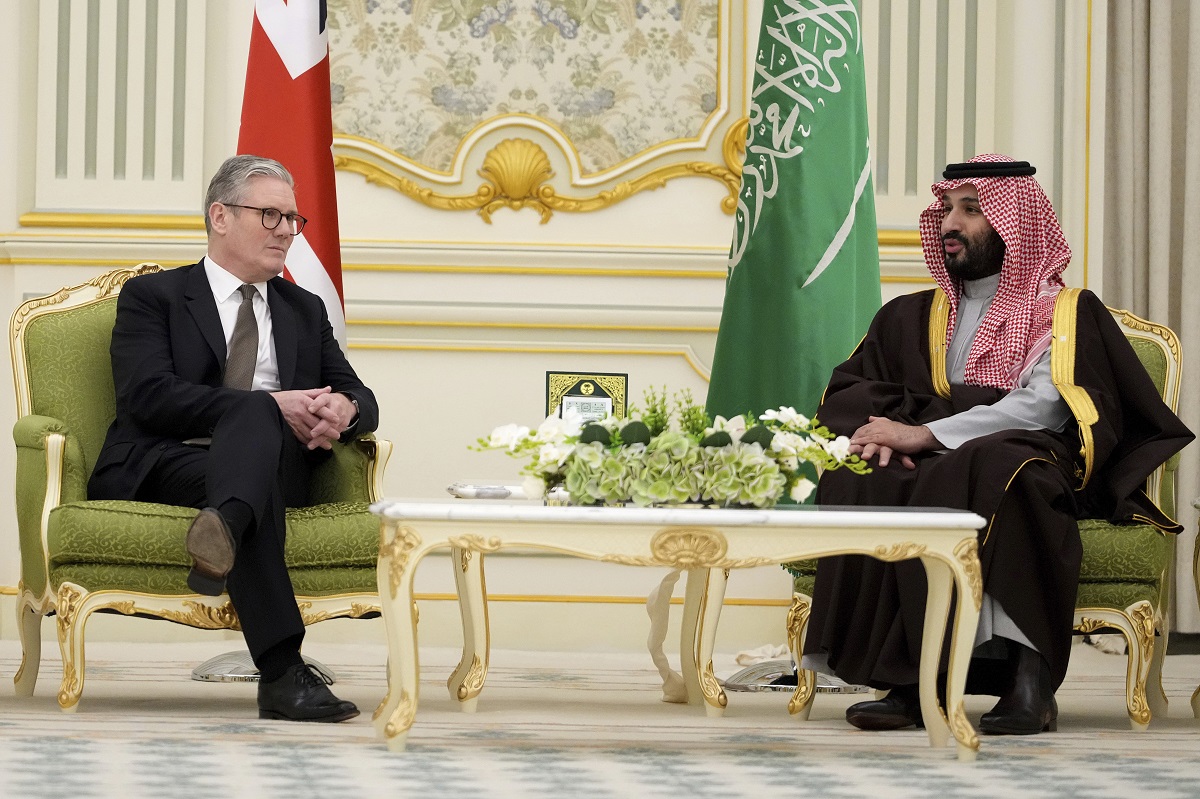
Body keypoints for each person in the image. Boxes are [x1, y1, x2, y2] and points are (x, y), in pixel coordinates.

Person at [800, 154, 1193, 735]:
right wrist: (886, 436)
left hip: (1028, 453)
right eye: (946, 209)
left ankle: (1027, 681)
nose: (950, 224)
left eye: (971, 210)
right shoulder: (911, 315)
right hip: (932, 457)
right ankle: (908, 679)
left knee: (1005, 469)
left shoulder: (1063, 312)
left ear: (1015, 222)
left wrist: (926, 434)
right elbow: (860, 390)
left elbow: (1045, 404)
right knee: (869, 474)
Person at [88, 154, 379, 723]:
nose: (288, 232)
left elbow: (361, 396)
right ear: (220, 217)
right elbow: (147, 396)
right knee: (256, 417)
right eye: (271, 216)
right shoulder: (154, 296)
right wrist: (268, 406)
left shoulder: (303, 308)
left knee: (256, 449)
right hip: (168, 461)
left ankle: (223, 526)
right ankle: (283, 674)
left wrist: (342, 410)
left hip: (275, 466)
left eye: (293, 219)